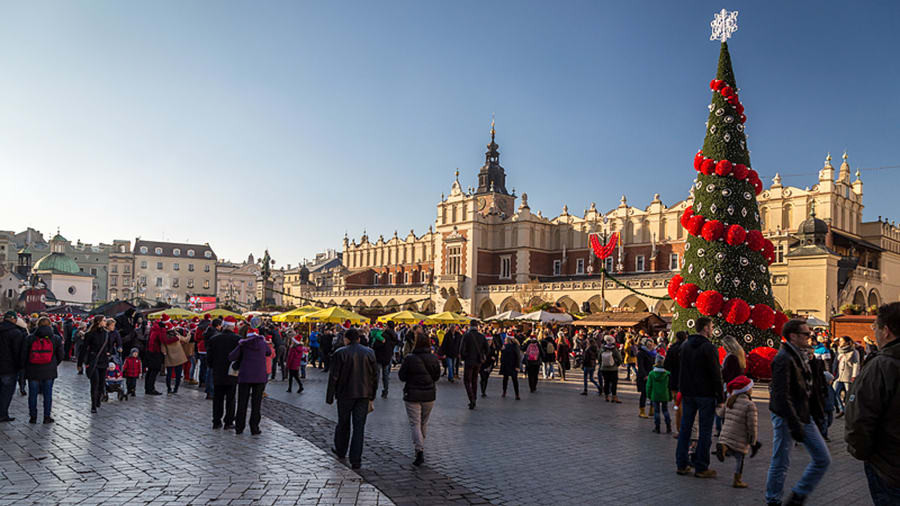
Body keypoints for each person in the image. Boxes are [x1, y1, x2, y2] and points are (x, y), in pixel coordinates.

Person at [765, 320, 831, 506]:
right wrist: (794, 424)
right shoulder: (784, 358)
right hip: (787, 416)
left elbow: (809, 389)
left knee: (823, 458)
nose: (810, 337)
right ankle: (774, 499)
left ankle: (798, 495)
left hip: (803, 414)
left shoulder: (801, 356)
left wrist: (817, 412)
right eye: (806, 334)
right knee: (781, 460)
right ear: (793, 336)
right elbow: (780, 396)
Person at [845, 302, 900, 505]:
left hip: (888, 466)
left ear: (886, 331)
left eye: (875, 327)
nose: (874, 332)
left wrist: (862, 451)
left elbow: (859, 418)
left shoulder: (882, 365)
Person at [675, 317, 724, 479]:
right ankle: (701, 467)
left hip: (688, 393)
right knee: (705, 431)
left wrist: (682, 389)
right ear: (704, 328)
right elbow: (716, 374)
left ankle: (682, 464)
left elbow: (681, 370)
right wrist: (720, 396)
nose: (712, 330)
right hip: (705, 394)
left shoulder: (685, 345)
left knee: (685, 429)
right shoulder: (709, 348)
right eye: (711, 327)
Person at [326, 327, 378, 470]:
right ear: (359, 339)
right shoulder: (369, 352)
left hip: (345, 394)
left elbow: (334, 377)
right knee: (359, 427)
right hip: (363, 394)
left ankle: (341, 450)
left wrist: (330, 396)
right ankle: (356, 459)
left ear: (346, 339)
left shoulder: (340, 353)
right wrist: (372, 394)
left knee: (343, 423)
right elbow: (375, 376)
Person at [397, 327, 441, 466]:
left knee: (415, 423)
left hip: (412, 394)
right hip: (429, 395)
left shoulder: (410, 358)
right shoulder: (433, 358)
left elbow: (401, 376)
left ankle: (419, 450)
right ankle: (420, 446)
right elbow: (436, 376)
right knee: (423, 423)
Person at [714, 375, 760, 489]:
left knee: (731, 449)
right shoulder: (750, 405)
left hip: (726, 435)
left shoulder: (730, 400)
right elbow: (752, 425)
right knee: (740, 459)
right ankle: (737, 480)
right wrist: (753, 440)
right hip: (740, 437)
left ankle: (724, 448)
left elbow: (720, 414)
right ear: (747, 389)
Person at [228, 319, 271, 435]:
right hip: (260, 377)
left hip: (245, 377)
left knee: (242, 403)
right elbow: (269, 352)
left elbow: (231, 357)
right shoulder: (263, 343)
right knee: (256, 404)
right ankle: (254, 428)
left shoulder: (243, 344)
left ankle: (239, 427)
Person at [20, 317, 63, 424]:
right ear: (50, 325)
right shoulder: (56, 338)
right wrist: (53, 364)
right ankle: (46, 416)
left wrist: (24, 367)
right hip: (49, 370)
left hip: (33, 370)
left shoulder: (30, 338)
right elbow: (61, 355)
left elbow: (23, 355)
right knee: (47, 394)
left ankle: (33, 416)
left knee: (33, 394)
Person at [207, 315, 240, 430]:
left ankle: (216, 421)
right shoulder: (238, 339)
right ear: (233, 327)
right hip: (232, 373)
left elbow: (209, 358)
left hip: (218, 372)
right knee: (231, 399)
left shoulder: (214, 339)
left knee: (218, 398)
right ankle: (229, 421)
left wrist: (213, 367)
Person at [81, 316, 113, 413]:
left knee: (101, 383)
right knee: (95, 382)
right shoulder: (90, 334)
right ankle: (93, 404)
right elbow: (84, 349)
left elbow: (110, 346)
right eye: (104, 320)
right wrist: (81, 362)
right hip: (93, 361)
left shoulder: (106, 334)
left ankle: (98, 400)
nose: (105, 322)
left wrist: (109, 353)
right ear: (99, 322)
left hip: (103, 361)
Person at [0, 311, 25, 422]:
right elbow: (17, 352)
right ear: (14, 319)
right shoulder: (16, 333)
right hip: (9, 367)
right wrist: (20, 366)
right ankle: (2, 413)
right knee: (6, 392)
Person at [459, 322, 488, 409]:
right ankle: (474, 397)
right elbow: (487, 349)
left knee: (467, 381)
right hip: (478, 361)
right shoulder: (482, 336)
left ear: (470, 326)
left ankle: (471, 399)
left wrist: (465, 357)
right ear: (477, 326)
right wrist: (482, 355)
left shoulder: (466, 336)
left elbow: (461, 349)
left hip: (469, 361)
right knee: (474, 380)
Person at [665, 331, 688, 437]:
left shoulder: (672, 349)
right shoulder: (688, 348)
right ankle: (687, 428)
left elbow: (666, 365)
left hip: (674, 381)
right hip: (686, 381)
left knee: (678, 406)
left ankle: (679, 430)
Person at [832, 336, 859, 418]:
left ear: (847, 342)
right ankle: (842, 409)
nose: (840, 342)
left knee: (849, 394)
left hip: (848, 376)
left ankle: (850, 411)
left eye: (842, 341)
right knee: (834, 392)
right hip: (840, 376)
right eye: (839, 341)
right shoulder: (840, 351)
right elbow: (836, 363)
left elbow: (856, 364)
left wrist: (854, 375)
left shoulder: (854, 351)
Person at [646, 354, 672, 434]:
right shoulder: (667, 374)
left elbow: (649, 386)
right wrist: (670, 396)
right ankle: (668, 427)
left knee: (656, 411)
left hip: (655, 395)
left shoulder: (651, 374)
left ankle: (657, 428)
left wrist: (648, 395)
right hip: (665, 394)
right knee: (665, 410)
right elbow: (669, 386)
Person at [372, 321, 398, 399]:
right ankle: (385, 391)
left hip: (379, 357)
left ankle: (374, 392)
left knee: (377, 375)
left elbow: (376, 345)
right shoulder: (395, 336)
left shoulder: (384, 335)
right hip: (388, 357)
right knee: (386, 376)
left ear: (387, 326)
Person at [161, 326, 190, 394]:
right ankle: (176, 389)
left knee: (169, 374)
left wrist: (164, 352)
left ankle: (169, 389)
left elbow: (163, 349)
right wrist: (189, 334)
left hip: (169, 357)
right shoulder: (177, 335)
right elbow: (186, 340)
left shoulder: (164, 337)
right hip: (179, 357)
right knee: (178, 374)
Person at [144, 317, 168, 396]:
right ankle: (151, 389)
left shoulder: (153, 329)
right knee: (154, 371)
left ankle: (147, 388)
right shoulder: (159, 330)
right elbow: (164, 340)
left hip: (150, 352)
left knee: (150, 371)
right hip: (155, 352)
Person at [636, 337, 656, 419]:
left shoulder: (652, 353)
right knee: (644, 394)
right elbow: (640, 366)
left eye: (651, 344)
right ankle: (642, 411)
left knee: (652, 393)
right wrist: (644, 375)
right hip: (645, 376)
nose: (651, 346)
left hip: (652, 375)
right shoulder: (641, 353)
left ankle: (652, 409)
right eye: (649, 345)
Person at [599, 335, 622, 402]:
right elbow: (619, 358)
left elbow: (599, 358)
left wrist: (602, 364)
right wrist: (616, 364)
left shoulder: (602, 349)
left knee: (606, 382)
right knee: (614, 383)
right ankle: (614, 397)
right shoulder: (614, 349)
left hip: (604, 368)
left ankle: (607, 396)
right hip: (613, 369)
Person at [499, 334, 522, 400]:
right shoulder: (515, 346)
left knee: (506, 379)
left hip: (508, 365)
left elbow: (503, 357)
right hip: (512, 365)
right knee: (514, 380)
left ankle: (505, 392)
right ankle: (516, 394)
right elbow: (518, 357)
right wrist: (517, 366)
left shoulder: (507, 346)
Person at [479, 331, 498, 398]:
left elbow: (495, 355)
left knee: (486, 378)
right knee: (483, 377)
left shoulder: (493, 348)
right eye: (488, 341)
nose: (489, 342)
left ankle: (484, 390)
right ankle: (482, 390)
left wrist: (494, 358)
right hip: (483, 364)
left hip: (489, 365)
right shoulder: (482, 348)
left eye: (490, 341)